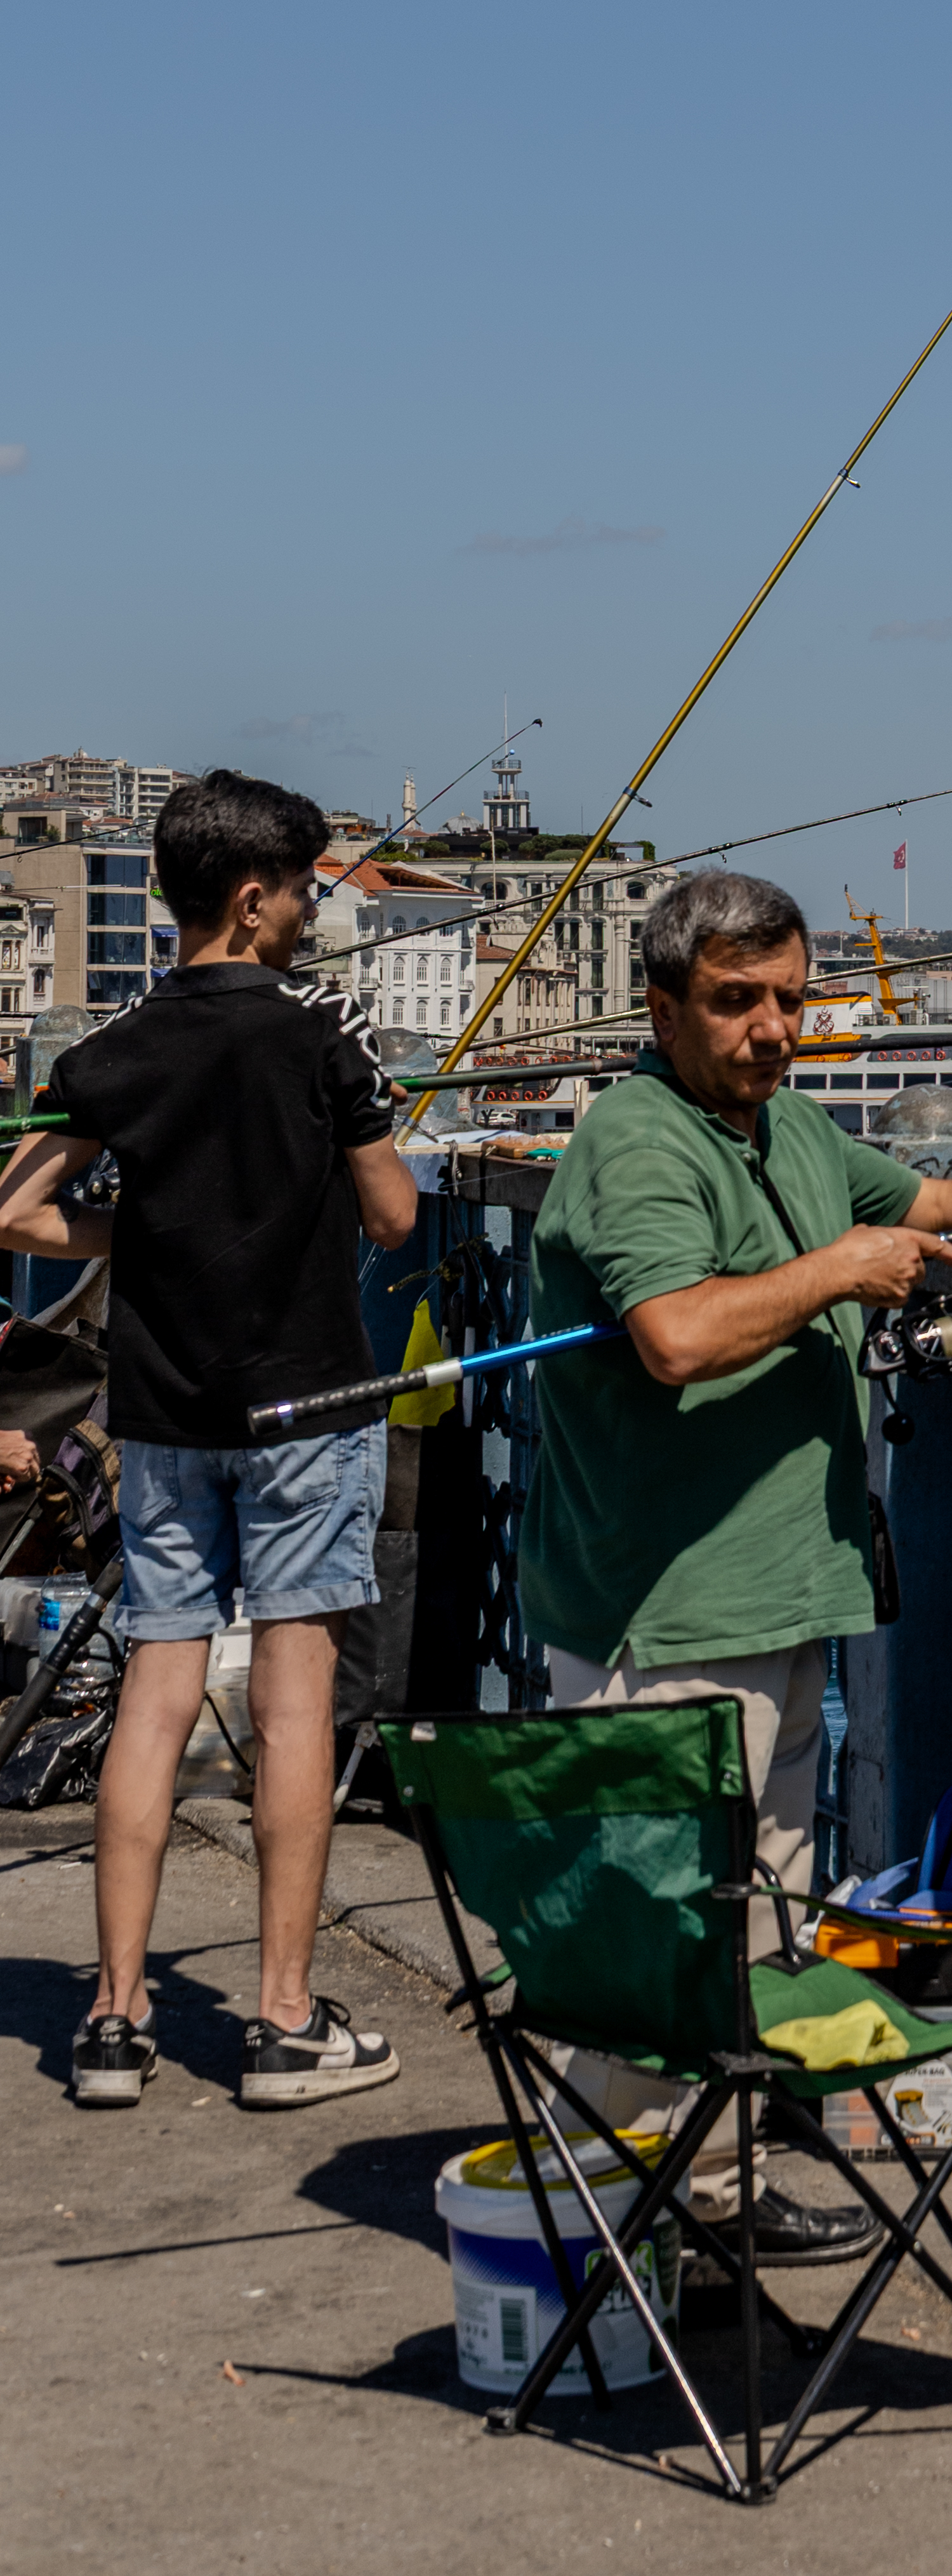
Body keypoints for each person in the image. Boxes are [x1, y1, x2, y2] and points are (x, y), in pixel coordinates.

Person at [522, 868, 952, 2262]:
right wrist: (840, 1271)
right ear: (664, 1006)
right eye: (736, 1003)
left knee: (753, 1907)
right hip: (668, 1606)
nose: (771, 1030)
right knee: (656, 1943)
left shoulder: (789, 1126)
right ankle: (586, 2236)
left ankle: (716, 2201)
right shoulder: (641, 1143)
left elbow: (930, 1191)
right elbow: (680, 1336)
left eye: (790, 1003)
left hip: (782, 1594)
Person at [0, 771, 418, 2111]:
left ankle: (114, 2022)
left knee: (156, 1687)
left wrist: (150, 1236)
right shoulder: (320, 1033)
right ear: (254, 898)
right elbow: (398, 1216)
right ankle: (284, 2022)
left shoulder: (113, 1050)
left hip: (166, 1413)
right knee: (294, 1701)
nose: (310, 912)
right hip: (306, 1406)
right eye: (302, 889)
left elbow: (17, 1217)